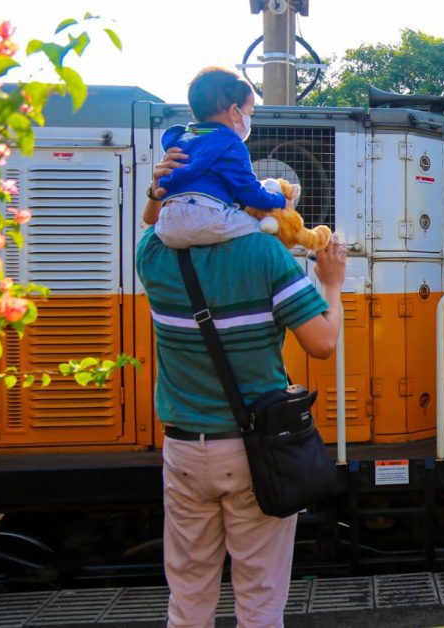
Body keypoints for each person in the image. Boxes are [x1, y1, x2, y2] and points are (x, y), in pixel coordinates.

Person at [137, 152, 347, 628]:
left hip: (185, 448)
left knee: (188, 598)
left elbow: (154, 222)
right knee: (260, 600)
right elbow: (323, 343)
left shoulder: (152, 254)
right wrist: (331, 283)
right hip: (254, 451)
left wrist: (158, 189)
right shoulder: (265, 253)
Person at [145, 66, 288, 249]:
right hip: (208, 219)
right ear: (234, 111)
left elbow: (149, 219)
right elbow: (249, 191)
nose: (249, 118)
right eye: (250, 112)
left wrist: (154, 189)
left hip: (167, 228)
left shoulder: (183, 138)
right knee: (261, 228)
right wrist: (280, 200)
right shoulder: (230, 143)